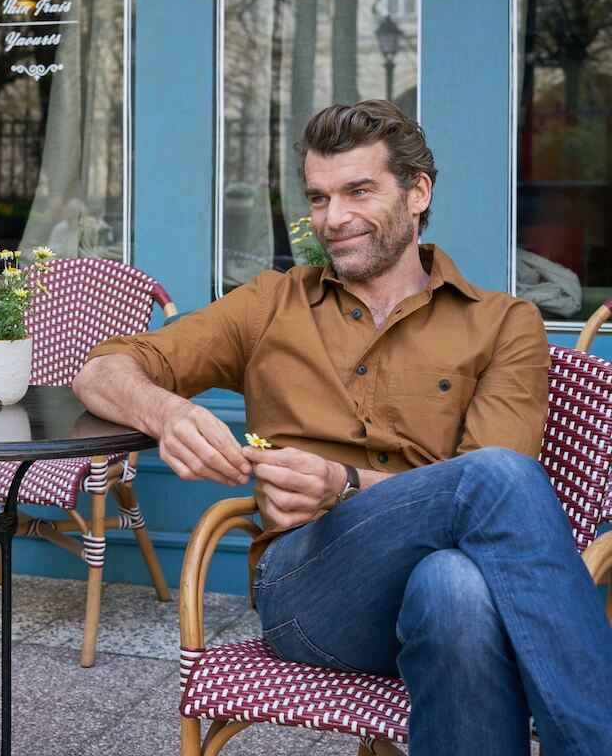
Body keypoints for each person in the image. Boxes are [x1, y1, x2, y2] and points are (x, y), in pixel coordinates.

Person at [74, 100, 612, 754]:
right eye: (319, 197)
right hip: (309, 591)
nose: (333, 218)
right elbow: (101, 369)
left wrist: (346, 481)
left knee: (457, 587)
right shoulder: (272, 303)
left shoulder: (504, 324)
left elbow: (491, 494)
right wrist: (169, 411)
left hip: (442, 583)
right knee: (492, 491)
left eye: (358, 191)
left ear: (418, 193)